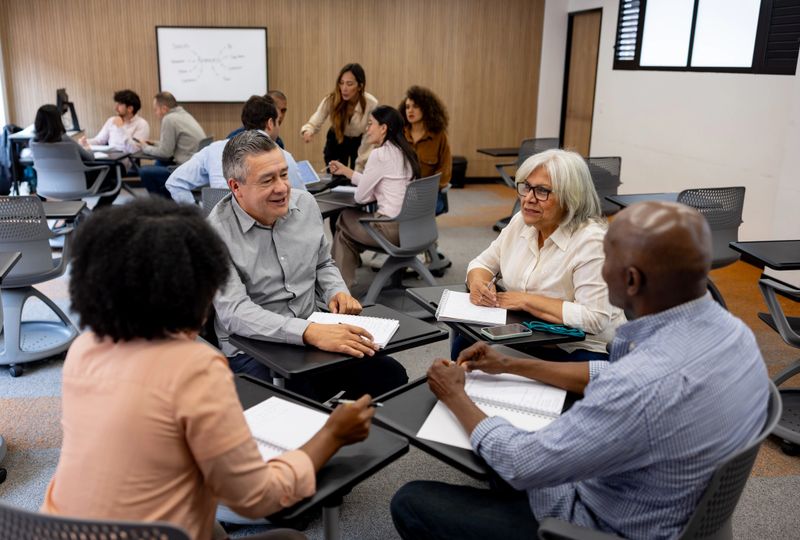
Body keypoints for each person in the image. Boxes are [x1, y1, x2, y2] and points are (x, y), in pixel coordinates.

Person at [391, 201, 771, 540]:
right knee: (501, 453)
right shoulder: (733, 334)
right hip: (670, 506)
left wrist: (456, 396)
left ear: (632, 280)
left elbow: (522, 464)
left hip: (597, 524)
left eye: (606, 259)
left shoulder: (641, 386)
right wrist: (512, 364)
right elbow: (614, 376)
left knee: (412, 500)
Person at [41, 198, 376, 540]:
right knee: (290, 538)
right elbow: (255, 498)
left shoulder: (84, 349)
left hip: (64, 528)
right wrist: (332, 434)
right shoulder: (194, 367)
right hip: (157, 530)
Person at [209, 130, 408, 401]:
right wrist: (308, 332)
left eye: (284, 174)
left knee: (391, 377)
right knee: (299, 403)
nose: (282, 188)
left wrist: (336, 292)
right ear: (236, 187)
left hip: (313, 331)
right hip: (254, 347)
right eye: (268, 180)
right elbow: (235, 313)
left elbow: (323, 263)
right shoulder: (214, 233)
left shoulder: (305, 204)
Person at [458, 149, 625, 361]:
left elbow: (594, 318)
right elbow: (482, 263)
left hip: (578, 348)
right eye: (526, 187)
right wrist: (478, 285)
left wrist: (526, 301)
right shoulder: (522, 221)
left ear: (569, 198)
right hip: (527, 333)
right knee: (464, 345)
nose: (528, 199)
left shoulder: (591, 242)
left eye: (542, 191)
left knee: (478, 358)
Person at [328, 105, 420, 288]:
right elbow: (384, 182)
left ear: (383, 128)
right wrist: (348, 172)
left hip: (390, 231)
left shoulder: (379, 155)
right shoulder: (406, 153)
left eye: (371, 124)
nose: (367, 129)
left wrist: (366, 187)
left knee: (344, 218)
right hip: (413, 229)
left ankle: (337, 288)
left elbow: (361, 197)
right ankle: (338, 285)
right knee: (345, 236)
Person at [166, 95, 304, 204]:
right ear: (270, 123)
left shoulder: (213, 150)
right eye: (278, 122)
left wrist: (201, 222)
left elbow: (175, 182)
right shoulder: (283, 157)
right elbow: (301, 201)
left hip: (217, 234)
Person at [32, 104, 118, 206]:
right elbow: (90, 158)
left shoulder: (33, 143)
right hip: (74, 185)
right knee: (114, 178)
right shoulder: (65, 139)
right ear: (58, 121)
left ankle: (72, 218)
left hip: (46, 187)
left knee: (71, 176)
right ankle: (97, 213)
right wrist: (86, 148)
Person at [300, 63, 378, 172]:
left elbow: (368, 138)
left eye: (349, 84)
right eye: (341, 83)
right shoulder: (332, 99)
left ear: (360, 86)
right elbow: (316, 119)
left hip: (360, 141)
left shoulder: (371, 103)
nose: (344, 88)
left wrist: (358, 170)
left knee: (357, 176)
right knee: (336, 174)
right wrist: (308, 131)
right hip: (337, 138)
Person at [139, 91, 206, 198]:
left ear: (164, 109)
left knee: (144, 171)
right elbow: (172, 145)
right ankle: (168, 202)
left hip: (185, 170)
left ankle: (166, 205)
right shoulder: (184, 114)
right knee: (159, 163)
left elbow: (165, 153)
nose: (155, 113)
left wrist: (145, 147)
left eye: (155, 110)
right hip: (196, 167)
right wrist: (155, 144)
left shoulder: (169, 119)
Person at [399, 86, 451, 213]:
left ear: (427, 108)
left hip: (430, 194)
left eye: (415, 106)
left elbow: (445, 171)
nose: (410, 111)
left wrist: (425, 191)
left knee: (414, 211)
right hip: (401, 192)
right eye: (407, 107)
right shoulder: (399, 134)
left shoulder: (439, 136)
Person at [81, 89, 149, 154]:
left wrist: (120, 128)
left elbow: (135, 151)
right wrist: (85, 142)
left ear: (130, 109)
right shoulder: (111, 120)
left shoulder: (142, 124)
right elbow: (99, 140)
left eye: (119, 105)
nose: (115, 108)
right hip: (108, 158)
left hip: (123, 162)